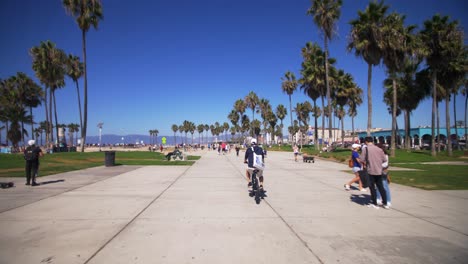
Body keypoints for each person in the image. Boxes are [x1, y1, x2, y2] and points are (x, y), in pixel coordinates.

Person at [360, 137, 389, 209]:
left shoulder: (365, 149)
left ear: (366, 142)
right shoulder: (379, 149)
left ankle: (374, 203)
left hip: (370, 170)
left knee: (372, 187)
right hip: (379, 170)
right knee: (381, 187)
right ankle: (385, 203)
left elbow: (362, 159)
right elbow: (384, 160)